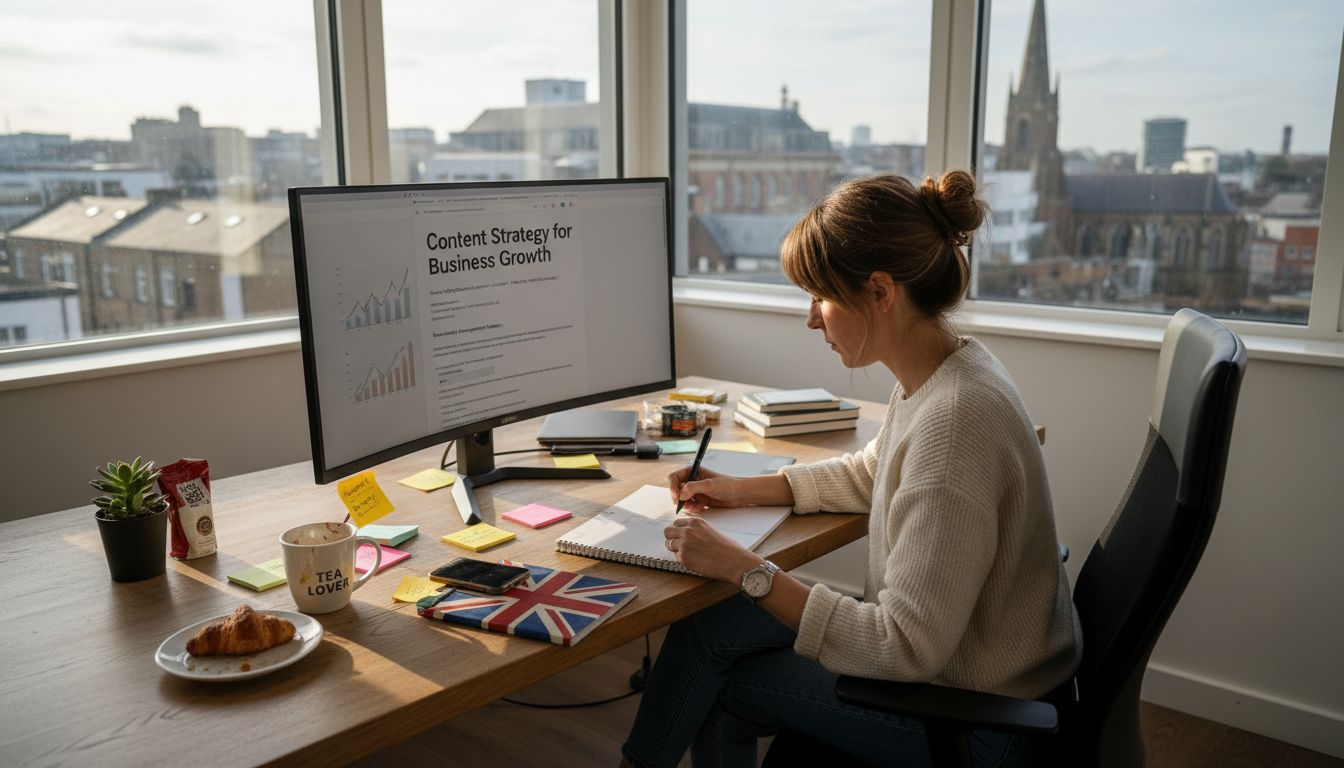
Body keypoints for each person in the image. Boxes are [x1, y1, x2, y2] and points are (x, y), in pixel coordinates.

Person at [619, 170, 1083, 768]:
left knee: (727, 687)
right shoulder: (951, 369)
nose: (812, 319)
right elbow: (873, 472)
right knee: (708, 627)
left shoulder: (953, 425)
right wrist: (738, 488)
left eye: (821, 297)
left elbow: (902, 648)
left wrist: (745, 569)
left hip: (972, 717)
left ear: (881, 291)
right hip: (966, 659)